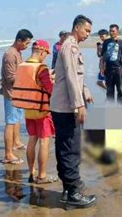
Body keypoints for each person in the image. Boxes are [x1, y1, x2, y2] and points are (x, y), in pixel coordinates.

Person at [51, 14, 96, 209]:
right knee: (70, 149)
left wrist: (85, 91)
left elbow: (76, 77)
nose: (88, 34)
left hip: (63, 106)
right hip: (67, 107)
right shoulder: (70, 46)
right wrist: (79, 105)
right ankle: (73, 193)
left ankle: (68, 189)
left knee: (65, 148)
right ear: (77, 28)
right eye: (86, 30)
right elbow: (70, 76)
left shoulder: (70, 45)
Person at [12, 40, 58, 184]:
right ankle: (42, 176)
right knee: (44, 142)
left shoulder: (22, 66)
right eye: (46, 54)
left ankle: (32, 172)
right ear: (42, 52)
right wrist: (53, 80)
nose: (45, 57)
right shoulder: (41, 68)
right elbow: (51, 89)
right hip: (42, 111)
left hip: (28, 110)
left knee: (32, 140)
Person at [0, 29, 32, 164]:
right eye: (26, 43)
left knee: (17, 118)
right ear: (19, 41)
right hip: (11, 93)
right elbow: (10, 77)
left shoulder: (18, 52)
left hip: (19, 92)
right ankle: (8, 154)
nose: (27, 46)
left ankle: (16, 142)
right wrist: (29, 78)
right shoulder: (10, 55)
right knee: (10, 122)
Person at [100, 24, 122, 105]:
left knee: (120, 90)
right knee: (109, 90)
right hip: (108, 69)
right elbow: (102, 57)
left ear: (117, 32)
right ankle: (111, 109)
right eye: (110, 31)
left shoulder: (121, 43)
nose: (111, 33)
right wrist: (101, 68)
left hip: (118, 69)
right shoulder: (106, 42)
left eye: (113, 31)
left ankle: (120, 108)